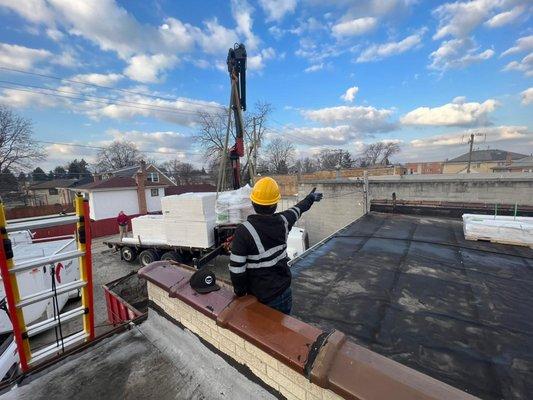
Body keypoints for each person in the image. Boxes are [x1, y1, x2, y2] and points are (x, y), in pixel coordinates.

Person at [229, 177, 322, 315]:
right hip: (284, 292)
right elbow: (298, 209)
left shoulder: (243, 231)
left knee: (264, 334)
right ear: (275, 204)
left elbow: (237, 270)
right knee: (283, 330)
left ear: (253, 202)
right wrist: (310, 198)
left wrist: (241, 294)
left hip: (261, 300)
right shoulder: (284, 220)